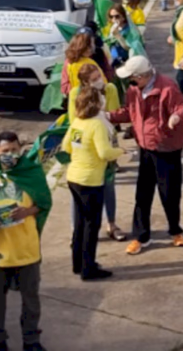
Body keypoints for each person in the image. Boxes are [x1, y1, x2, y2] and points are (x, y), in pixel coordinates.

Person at [0, 132, 47, 351]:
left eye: (14, 150)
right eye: (5, 151)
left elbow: (43, 202)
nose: (10, 155)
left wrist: (27, 211)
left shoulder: (31, 173)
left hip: (26, 248)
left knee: (30, 300)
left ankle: (31, 341)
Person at [109, 56, 183, 255]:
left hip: (167, 148)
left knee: (170, 194)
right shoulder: (133, 91)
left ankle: (175, 230)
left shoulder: (167, 88)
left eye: (132, 78)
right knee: (142, 195)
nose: (130, 82)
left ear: (142, 76)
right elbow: (129, 112)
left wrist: (176, 117)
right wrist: (109, 116)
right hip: (146, 148)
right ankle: (141, 236)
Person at [62, 86, 124, 281]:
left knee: (80, 223)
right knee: (92, 225)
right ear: (96, 103)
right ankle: (89, 268)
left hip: (74, 177)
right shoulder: (97, 125)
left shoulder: (78, 122)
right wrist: (121, 151)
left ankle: (78, 263)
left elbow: (66, 146)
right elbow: (105, 153)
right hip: (91, 180)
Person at [68, 64, 124, 242]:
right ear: (85, 82)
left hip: (105, 138)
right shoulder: (76, 94)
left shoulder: (110, 89)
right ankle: (76, 230)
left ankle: (111, 224)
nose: (99, 81)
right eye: (94, 79)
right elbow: (74, 122)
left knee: (109, 186)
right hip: (87, 148)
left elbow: (115, 115)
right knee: (80, 195)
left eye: (99, 76)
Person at [64, 30, 98, 100]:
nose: (90, 49)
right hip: (93, 98)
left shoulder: (69, 63)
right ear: (80, 47)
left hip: (79, 98)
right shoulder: (89, 62)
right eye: (87, 47)